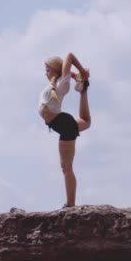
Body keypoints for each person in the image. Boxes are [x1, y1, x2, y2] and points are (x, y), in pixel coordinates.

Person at [38, 53, 91, 208]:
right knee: (86, 122)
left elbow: (69, 55)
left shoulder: (62, 83)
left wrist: (82, 71)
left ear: (55, 71)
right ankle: (84, 91)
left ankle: (70, 204)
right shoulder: (59, 83)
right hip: (61, 123)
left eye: (47, 70)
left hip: (63, 124)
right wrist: (76, 75)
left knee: (66, 167)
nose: (45, 73)